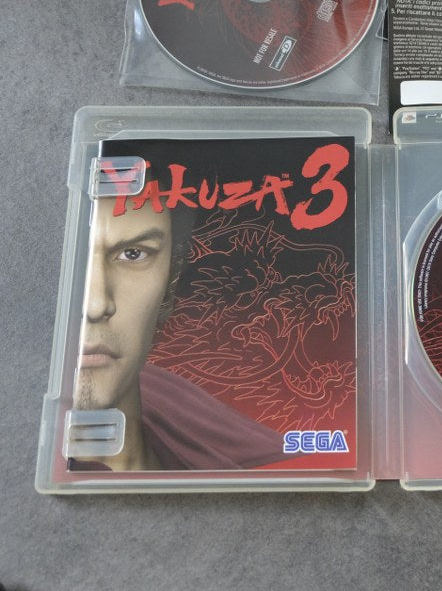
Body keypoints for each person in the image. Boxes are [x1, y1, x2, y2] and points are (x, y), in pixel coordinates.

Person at [71, 194, 286, 472]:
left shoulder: (201, 423)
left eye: (133, 254)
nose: (95, 304)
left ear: (171, 280)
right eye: (71, 255)